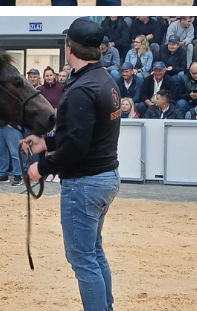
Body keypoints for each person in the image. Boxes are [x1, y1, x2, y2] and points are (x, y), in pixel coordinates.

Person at [23, 18, 121, 311]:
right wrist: (46, 143)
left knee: (82, 258)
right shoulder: (102, 79)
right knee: (93, 251)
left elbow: (77, 147)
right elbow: (82, 136)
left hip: (85, 182)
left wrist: (41, 168)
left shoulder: (81, 88)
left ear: (69, 47)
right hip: (104, 176)